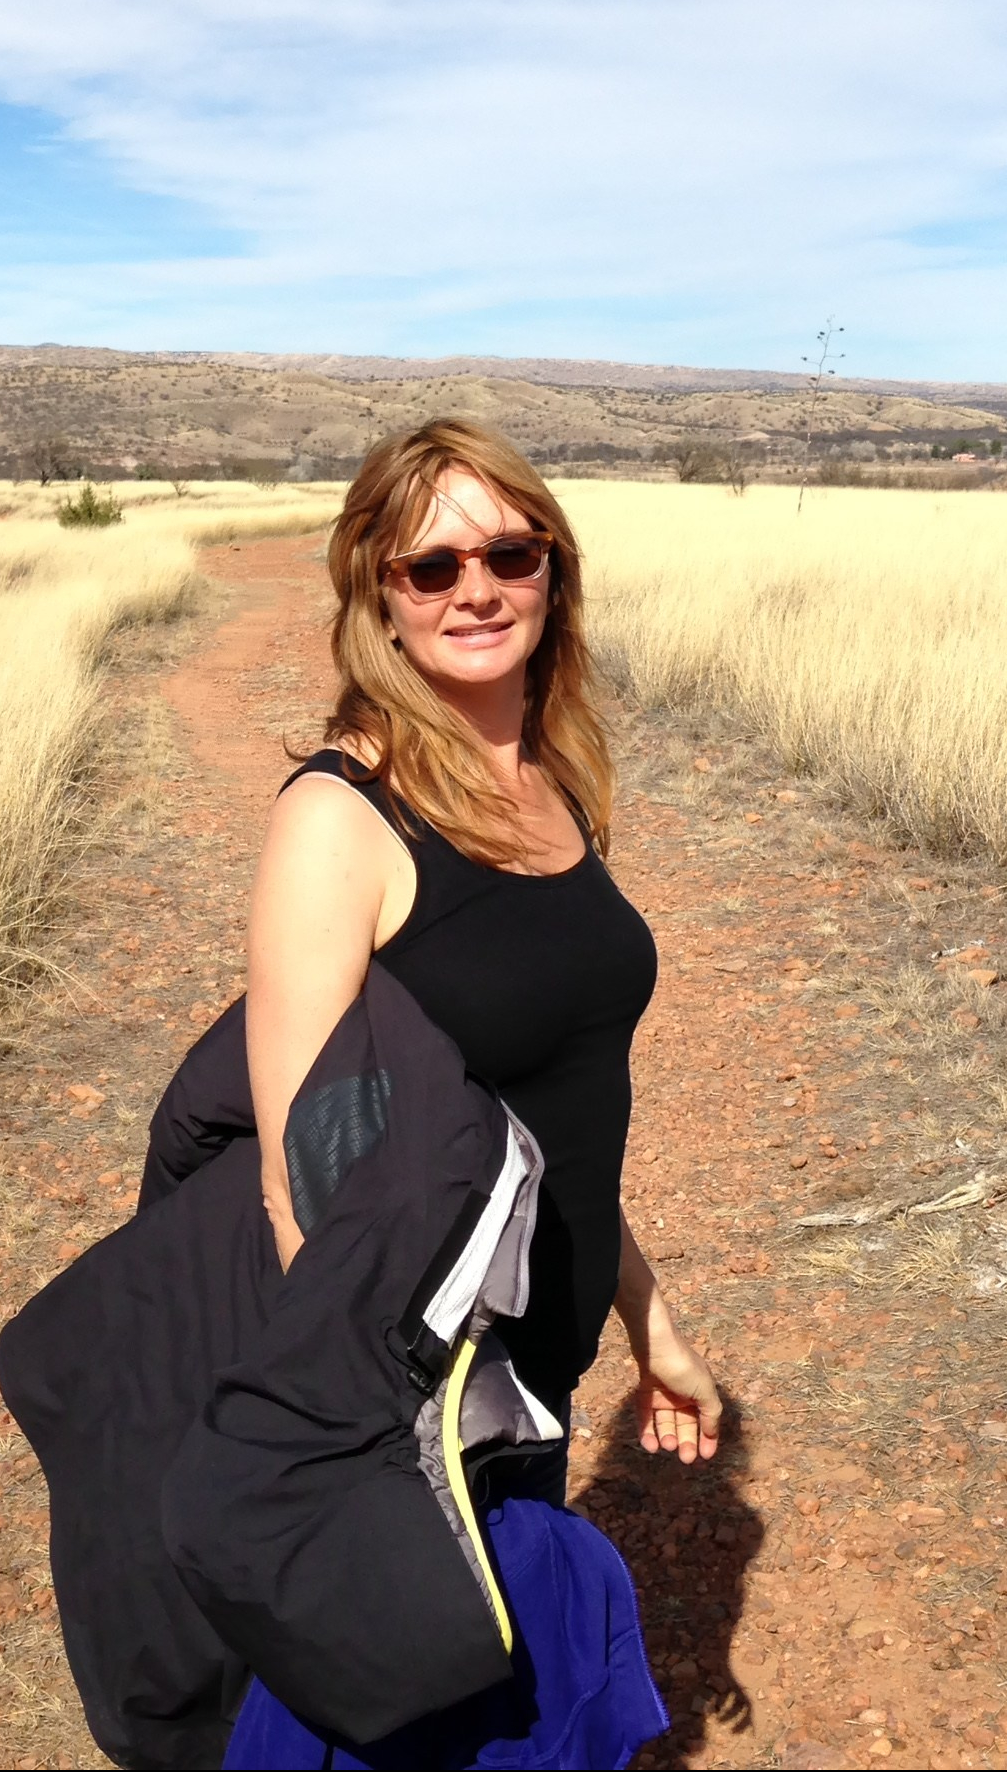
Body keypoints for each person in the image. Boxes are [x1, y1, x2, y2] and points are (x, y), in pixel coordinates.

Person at [254, 418, 724, 1472]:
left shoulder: (552, 782)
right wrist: (380, 1452)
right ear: (379, 596)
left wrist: (648, 1321)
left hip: (536, 1374)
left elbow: (555, 1119)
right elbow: (299, 1181)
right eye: (431, 566)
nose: (477, 590)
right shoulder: (343, 818)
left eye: (512, 553)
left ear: (554, 571)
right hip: (433, 1395)